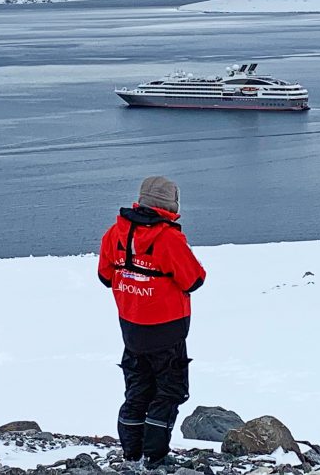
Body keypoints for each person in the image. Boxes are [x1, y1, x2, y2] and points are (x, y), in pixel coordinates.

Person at [98, 176, 207, 467]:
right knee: (169, 391)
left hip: (131, 329)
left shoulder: (114, 233)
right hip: (167, 331)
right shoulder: (168, 238)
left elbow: (105, 276)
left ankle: (132, 453)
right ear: (171, 203)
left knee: (137, 390)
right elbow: (194, 279)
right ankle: (154, 457)